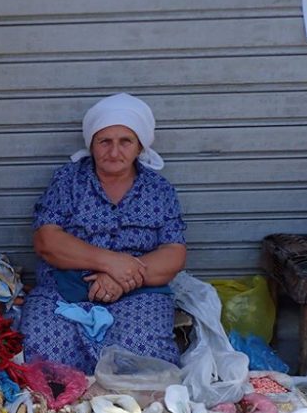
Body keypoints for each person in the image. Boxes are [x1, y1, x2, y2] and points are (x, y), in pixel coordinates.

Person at [20, 93, 187, 375]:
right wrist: (110, 262)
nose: (114, 151)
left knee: (146, 354)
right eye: (104, 141)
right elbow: (47, 240)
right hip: (64, 290)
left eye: (125, 141)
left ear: (140, 146)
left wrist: (120, 278)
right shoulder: (68, 181)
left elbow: (174, 253)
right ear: (91, 144)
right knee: (41, 349)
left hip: (138, 293)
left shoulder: (159, 190)